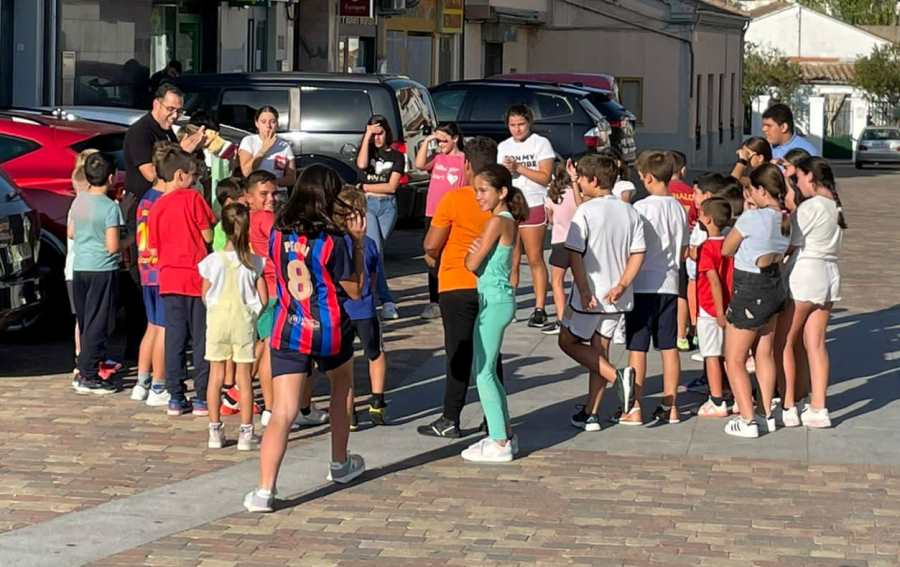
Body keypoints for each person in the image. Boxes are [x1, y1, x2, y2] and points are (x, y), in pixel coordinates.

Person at [243, 165, 368, 513]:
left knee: (282, 411)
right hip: (328, 327)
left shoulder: (279, 232)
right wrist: (358, 245)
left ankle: (265, 489)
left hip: (288, 325)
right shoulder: (334, 240)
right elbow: (355, 290)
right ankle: (340, 463)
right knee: (342, 387)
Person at [418, 137, 502, 438]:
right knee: (491, 355)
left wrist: (431, 253)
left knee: (458, 352)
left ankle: (450, 419)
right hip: (489, 285)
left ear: (467, 165)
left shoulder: (454, 199)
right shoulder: (501, 203)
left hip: (456, 283)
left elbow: (431, 243)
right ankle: (494, 418)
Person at [559, 154, 644, 431]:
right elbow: (637, 254)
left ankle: (617, 377)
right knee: (600, 349)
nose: (580, 184)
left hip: (591, 293)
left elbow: (575, 255)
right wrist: (622, 284)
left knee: (567, 341)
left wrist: (583, 289)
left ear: (593, 181)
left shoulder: (586, 211)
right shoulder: (630, 211)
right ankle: (591, 413)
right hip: (617, 296)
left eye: (582, 180)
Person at [122, 84, 206, 362]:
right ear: (156, 104)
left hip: (166, 212)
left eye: (179, 110)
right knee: (143, 284)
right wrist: (180, 152)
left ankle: (162, 352)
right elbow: (152, 174)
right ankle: (140, 353)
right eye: (171, 109)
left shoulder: (167, 131)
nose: (174, 115)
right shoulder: (141, 132)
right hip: (143, 209)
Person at [458, 164, 529, 462]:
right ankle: (504, 433)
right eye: (476, 190)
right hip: (498, 299)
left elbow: (472, 263)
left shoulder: (497, 222)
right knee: (488, 371)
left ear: (502, 192)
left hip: (494, 302)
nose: (478, 196)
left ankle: (499, 441)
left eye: (483, 190)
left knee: (484, 372)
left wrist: (471, 252)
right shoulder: (508, 220)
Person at [721, 163, 792, 439]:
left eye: (751, 189)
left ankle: (747, 419)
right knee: (764, 353)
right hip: (774, 284)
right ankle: (764, 414)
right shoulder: (784, 218)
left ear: (762, 190)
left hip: (750, 286)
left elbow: (727, 248)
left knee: (734, 358)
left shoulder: (753, 219)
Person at [621, 150, 688, 426]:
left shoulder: (641, 208)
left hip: (643, 283)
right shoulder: (679, 209)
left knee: (638, 348)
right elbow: (683, 250)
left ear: (648, 178)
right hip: (670, 282)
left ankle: (634, 406)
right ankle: (671, 405)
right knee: (669, 347)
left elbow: (633, 247)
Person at [147, 147, 214, 416]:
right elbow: (208, 236)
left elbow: (152, 249)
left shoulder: (157, 206)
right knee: (201, 338)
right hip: (195, 277)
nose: (196, 180)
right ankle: (202, 395)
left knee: (174, 338)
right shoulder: (193, 198)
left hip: (168, 279)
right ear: (179, 175)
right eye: (193, 175)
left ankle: (175, 394)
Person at [781, 157, 845, 429]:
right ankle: (819, 406)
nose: (797, 185)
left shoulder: (810, 208)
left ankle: (788, 404)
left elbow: (790, 244)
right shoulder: (835, 206)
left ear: (810, 177)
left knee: (784, 341)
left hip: (806, 275)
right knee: (816, 343)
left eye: (798, 179)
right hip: (829, 276)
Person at [200, 203, 267, 451]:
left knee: (215, 376)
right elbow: (264, 296)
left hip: (218, 320)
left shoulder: (212, 261)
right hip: (243, 321)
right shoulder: (254, 262)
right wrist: (254, 310)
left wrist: (213, 307)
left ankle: (215, 430)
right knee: (244, 378)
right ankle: (246, 433)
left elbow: (204, 293)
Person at [334, 186, 390, 428]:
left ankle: (351, 412)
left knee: (345, 362)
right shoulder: (369, 243)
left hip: (342, 309)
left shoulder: (335, 243)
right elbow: (375, 275)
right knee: (375, 353)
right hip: (365, 307)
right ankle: (377, 401)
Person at [70, 153, 123, 395]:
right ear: (111, 178)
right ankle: (88, 374)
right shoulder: (110, 207)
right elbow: (113, 246)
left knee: (85, 320)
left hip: (80, 266)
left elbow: (71, 232)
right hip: (103, 268)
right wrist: (129, 238)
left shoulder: (78, 201)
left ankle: (87, 367)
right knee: (98, 322)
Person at [497, 104, 555, 328]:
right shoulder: (504, 146)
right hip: (510, 205)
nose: (517, 129)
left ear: (529, 123)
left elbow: (545, 177)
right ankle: (509, 305)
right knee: (511, 257)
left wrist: (519, 168)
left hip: (532, 203)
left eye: (521, 124)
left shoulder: (541, 143)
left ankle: (539, 308)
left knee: (534, 257)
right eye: (512, 125)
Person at [131, 141, 178, 406]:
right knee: (164, 329)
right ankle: (159, 385)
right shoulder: (164, 201)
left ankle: (142, 380)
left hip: (146, 268)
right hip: (162, 271)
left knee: (151, 327)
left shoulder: (146, 198)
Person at [415, 122, 465, 320]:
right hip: (433, 213)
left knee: (452, 254)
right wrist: (428, 141)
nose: (441, 144)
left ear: (455, 139)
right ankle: (434, 300)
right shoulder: (437, 158)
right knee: (432, 254)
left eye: (444, 140)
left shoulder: (464, 160)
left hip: (454, 213)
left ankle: (453, 296)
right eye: (439, 140)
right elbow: (419, 165)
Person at [356, 115, 404, 321]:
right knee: (376, 251)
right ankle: (386, 300)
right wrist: (367, 136)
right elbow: (361, 164)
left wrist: (364, 186)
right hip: (367, 205)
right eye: (374, 134)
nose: (377, 138)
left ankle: (369, 295)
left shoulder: (396, 156)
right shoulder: (367, 150)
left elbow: (391, 186)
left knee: (375, 252)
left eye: (380, 133)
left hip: (387, 206)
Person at [695, 198, 735, 418]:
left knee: (711, 354)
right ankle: (737, 395)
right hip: (731, 307)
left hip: (711, 309)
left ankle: (716, 399)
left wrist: (718, 311)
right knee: (731, 356)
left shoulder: (706, 248)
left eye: (700, 214)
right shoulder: (731, 244)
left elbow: (713, 281)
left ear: (707, 219)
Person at [66, 149, 99, 387]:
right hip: (84, 267)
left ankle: (83, 359)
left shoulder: (76, 205)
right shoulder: (85, 206)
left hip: (74, 269)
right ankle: (85, 362)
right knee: (88, 319)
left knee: (83, 318)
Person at [542, 159, 582, 335]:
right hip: (577, 242)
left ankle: (560, 318)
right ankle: (577, 316)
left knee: (557, 282)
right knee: (578, 281)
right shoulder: (577, 193)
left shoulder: (552, 195)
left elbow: (549, 218)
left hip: (559, 242)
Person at [666, 150, 699, 353]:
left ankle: (670, 331)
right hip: (686, 248)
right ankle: (685, 334)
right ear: (683, 169)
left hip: (665, 248)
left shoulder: (662, 192)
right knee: (684, 293)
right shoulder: (690, 192)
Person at [238, 106, 296, 191]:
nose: (268, 126)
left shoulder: (284, 145)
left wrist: (272, 183)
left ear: (277, 124)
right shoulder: (249, 141)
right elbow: (246, 172)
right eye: (263, 122)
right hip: (257, 192)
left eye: (272, 122)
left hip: (278, 192)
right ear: (257, 123)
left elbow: (291, 178)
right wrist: (263, 150)